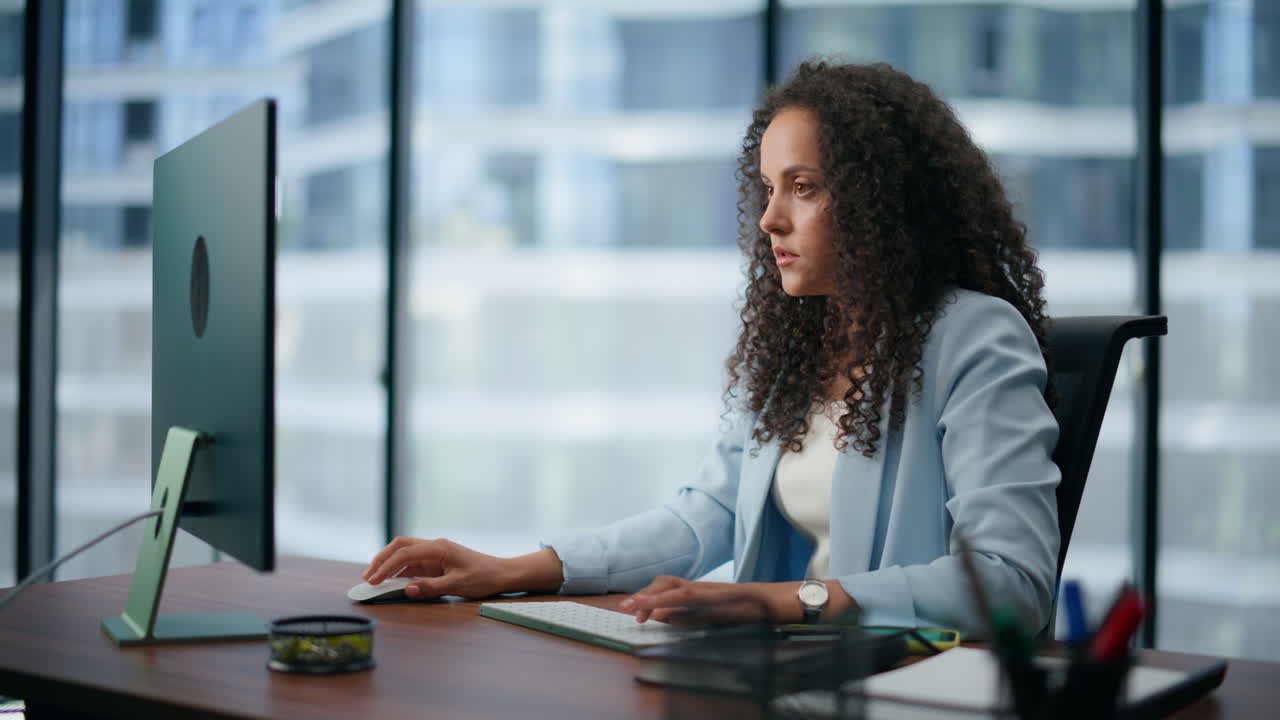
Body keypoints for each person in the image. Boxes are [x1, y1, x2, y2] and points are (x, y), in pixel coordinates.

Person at [362, 60, 1061, 638]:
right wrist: (513, 569)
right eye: (768, 189)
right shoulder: (804, 349)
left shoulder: (974, 337)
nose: (770, 219)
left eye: (804, 188)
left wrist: (783, 601)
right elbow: (706, 517)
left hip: (899, 684)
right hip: (791, 672)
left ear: (884, 200)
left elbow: (1010, 582)